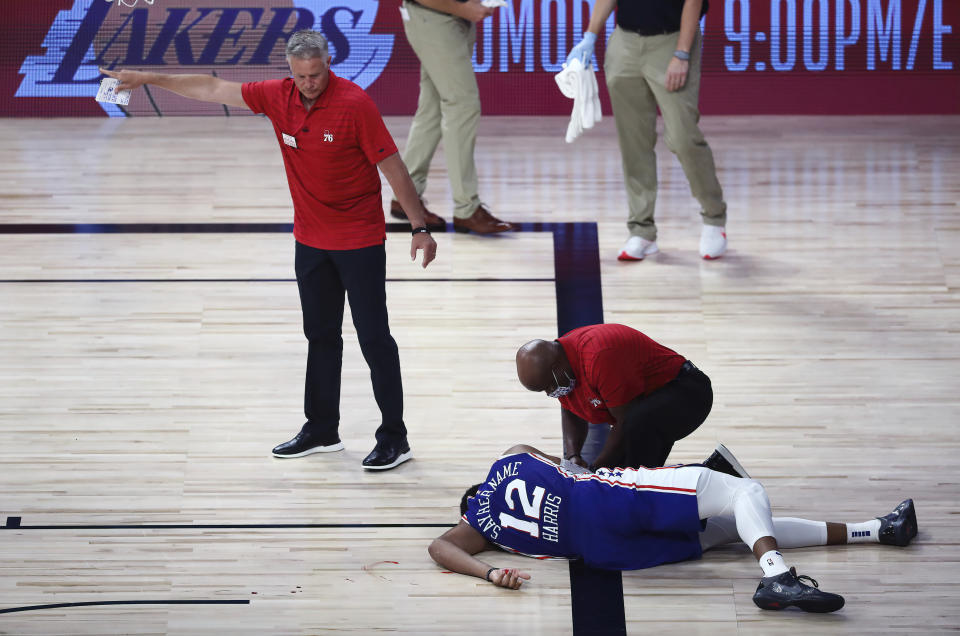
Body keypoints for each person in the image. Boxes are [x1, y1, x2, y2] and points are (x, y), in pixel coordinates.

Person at [100, 30, 437, 471]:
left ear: (328, 64)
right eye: (301, 76)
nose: (309, 83)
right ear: (290, 70)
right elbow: (212, 87)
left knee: (374, 340)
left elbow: (392, 165)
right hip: (310, 243)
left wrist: (420, 227)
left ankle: (395, 437)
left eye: (316, 74)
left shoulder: (355, 104)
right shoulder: (277, 96)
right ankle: (321, 429)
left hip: (360, 243)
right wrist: (147, 78)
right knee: (320, 337)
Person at [429, 444, 918, 613]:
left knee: (733, 528)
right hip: (616, 500)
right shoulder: (508, 459)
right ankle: (776, 578)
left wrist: (492, 575)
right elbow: (571, 466)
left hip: (611, 552)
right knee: (744, 493)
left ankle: (876, 530)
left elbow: (440, 546)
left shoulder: (485, 528)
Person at [567, 0, 728, 261]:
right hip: (625, 44)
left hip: (672, 42)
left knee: (683, 138)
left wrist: (682, 54)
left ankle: (714, 218)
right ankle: (642, 230)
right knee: (634, 142)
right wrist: (589, 36)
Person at [516, 323, 729, 472]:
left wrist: (595, 471)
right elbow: (570, 408)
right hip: (648, 408)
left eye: (549, 385)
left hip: (687, 393)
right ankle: (720, 472)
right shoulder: (562, 366)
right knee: (630, 474)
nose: (549, 392)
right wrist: (574, 456)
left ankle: (713, 479)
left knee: (631, 473)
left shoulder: (598, 356)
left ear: (556, 366)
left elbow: (624, 423)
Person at [393, 0, 515, 235]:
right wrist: (463, 8)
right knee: (462, 104)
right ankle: (467, 208)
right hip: (435, 16)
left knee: (433, 107)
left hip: (452, 18)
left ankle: (406, 196)